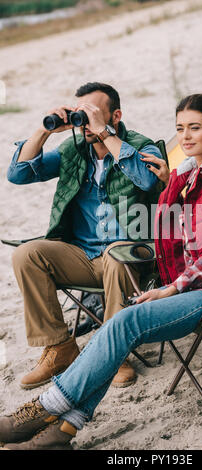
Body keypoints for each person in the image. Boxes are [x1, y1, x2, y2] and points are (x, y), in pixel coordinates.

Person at [0, 94, 202, 450]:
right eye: (179, 129)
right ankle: (62, 431)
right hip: (198, 286)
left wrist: (170, 289)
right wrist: (170, 187)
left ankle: (43, 409)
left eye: (195, 128)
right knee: (119, 326)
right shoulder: (190, 174)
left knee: (123, 323)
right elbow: (179, 235)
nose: (186, 137)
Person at [6, 82, 165, 390]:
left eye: (92, 114)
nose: (86, 123)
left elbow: (147, 180)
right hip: (83, 255)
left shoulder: (142, 145)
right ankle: (59, 348)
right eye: (81, 115)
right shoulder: (74, 150)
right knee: (26, 254)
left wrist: (105, 133)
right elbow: (19, 174)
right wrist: (45, 130)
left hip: (130, 258)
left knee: (118, 253)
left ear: (115, 115)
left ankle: (113, 354)